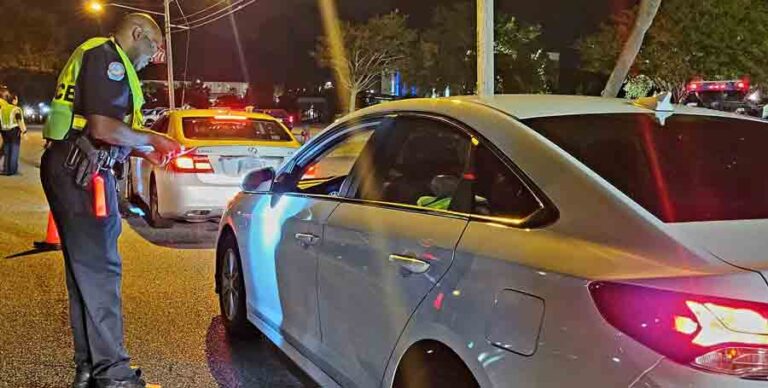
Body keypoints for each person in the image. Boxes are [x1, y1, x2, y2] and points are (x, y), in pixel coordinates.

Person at [40, 13, 181, 388]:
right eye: (154, 46)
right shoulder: (109, 58)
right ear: (137, 34)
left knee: (85, 276)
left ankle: (90, 368)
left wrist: (142, 152)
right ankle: (114, 376)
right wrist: (154, 139)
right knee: (101, 275)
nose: (155, 56)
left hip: (73, 166)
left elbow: (97, 130)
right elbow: (102, 127)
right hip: (83, 174)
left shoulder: (95, 55)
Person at [1, 93, 27, 175]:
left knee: (7, 150)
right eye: (17, 99)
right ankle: (12, 170)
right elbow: (19, 121)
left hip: (4, 132)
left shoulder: (2, 109)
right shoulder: (16, 109)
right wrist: (24, 132)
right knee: (14, 151)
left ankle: (6, 169)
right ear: (14, 100)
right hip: (14, 132)